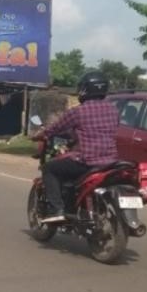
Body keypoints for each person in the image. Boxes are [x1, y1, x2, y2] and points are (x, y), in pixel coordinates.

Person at [31, 71, 119, 223]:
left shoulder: (78, 111)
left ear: (85, 89)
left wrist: (40, 135)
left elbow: (55, 128)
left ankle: (57, 209)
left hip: (87, 161)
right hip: (110, 161)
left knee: (49, 169)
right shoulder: (114, 110)